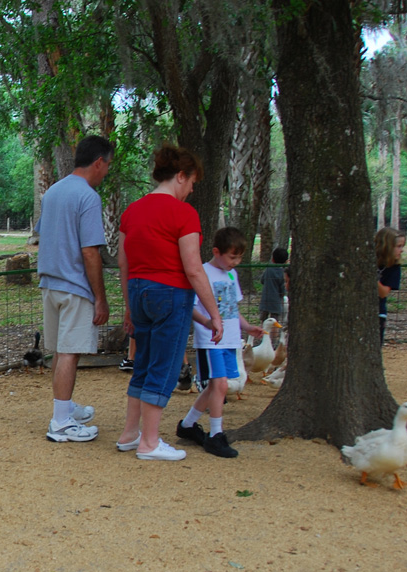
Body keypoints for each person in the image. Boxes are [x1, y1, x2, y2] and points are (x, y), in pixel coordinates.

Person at [116, 144, 223, 461]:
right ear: (180, 176)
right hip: (170, 294)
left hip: (138, 291)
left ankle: (129, 434)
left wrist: (128, 306)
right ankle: (149, 442)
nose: (191, 190)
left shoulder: (132, 211)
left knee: (144, 363)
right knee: (164, 366)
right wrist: (214, 314)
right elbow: (193, 268)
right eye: (191, 182)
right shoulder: (183, 213)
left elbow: (124, 263)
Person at [34, 134, 114, 441]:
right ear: (98, 162)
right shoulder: (88, 197)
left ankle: (64, 409)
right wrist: (100, 299)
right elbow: (90, 252)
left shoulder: (53, 192)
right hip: (74, 287)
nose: (106, 171)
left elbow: (45, 234)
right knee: (70, 352)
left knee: (61, 351)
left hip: (49, 283)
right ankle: (61, 423)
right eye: (107, 165)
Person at [175, 227, 264, 458]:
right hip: (212, 340)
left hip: (231, 339)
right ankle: (216, 434)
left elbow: (233, 308)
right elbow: (192, 306)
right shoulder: (202, 273)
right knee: (220, 386)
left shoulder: (232, 276)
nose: (236, 262)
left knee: (217, 386)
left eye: (240, 257)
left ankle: (187, 425)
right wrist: (206, 322)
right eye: (232, 257)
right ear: (217, 251)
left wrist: (247, 327)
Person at [374, 227, 405, 344]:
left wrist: (372, 277)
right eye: (398, 246)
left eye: (402, 246)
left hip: (378, 312)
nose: (401, 250)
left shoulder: (394, 267)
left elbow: (383, 293)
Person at [259, 246, 288, 324]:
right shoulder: (282, 272)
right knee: (274, 321)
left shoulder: (268, 269)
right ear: (286, 261)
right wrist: (283, 293)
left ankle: (262, 334)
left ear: (273, 259)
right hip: (276, 301)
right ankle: (273, 336)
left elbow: (262, 280)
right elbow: (282, 288)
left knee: (263, 320)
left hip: (265, 299)